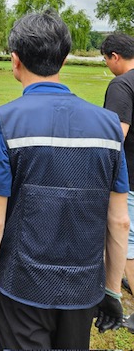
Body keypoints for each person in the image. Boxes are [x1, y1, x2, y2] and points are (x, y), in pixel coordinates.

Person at [0, 11, 129, 349]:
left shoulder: (3, 122)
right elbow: (118, 220)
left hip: (20, 288)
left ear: (15, 60)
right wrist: (113, 289)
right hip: (83, 289)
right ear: (65, 58)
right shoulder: (109, 126)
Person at [101, 32, 134, 330]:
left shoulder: (121, 85)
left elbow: (116, 138)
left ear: (114, 56)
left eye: (106, 59)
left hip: (130, 176)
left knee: (128, 241)